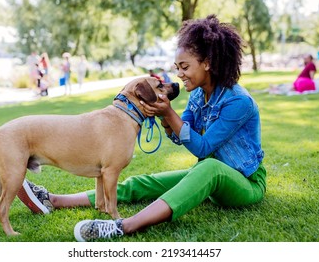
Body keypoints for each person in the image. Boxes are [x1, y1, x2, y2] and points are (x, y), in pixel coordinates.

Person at [17, 14, 266, 242]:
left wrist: (169, 112)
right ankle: (54, 200)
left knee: (209, 167)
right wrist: (164, 119)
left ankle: (122, 226)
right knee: (142, 182)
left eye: (185, 67)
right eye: (177, 67)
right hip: (209, 178)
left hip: (244, 183)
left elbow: (203, 148)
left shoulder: (238, 102)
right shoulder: (198, 95)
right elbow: (181, 135)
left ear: (208, 63)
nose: (179, 74)